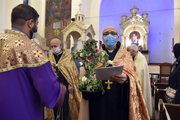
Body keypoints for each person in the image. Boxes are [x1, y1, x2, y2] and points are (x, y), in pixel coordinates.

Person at [0, 4, 66, 120]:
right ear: (30, 23)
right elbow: (50, 93)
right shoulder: (31, 49)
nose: (36, 27)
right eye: (37, 23)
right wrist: (62, 90)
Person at [79, 26, 149, 120]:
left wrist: (127, 79)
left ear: (117, 37)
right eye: (106, 34)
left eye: (113, 33)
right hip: (99, 102)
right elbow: (88, 77)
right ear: (102, 38)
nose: (109, 36)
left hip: (119, 101)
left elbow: (134, 79)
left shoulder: (126, 56)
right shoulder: (95, 56)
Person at [48, 38, 81, 120]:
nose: (53, 48)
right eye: (51, 46)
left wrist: (71, 84)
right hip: (54, 88)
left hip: (66, 87)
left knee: (65, 109)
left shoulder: (68, 57)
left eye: (55, 46)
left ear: (61, 45)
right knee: (55, 108)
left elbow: (73, 73)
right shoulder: (50, 57)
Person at [128, 44, 152, 117]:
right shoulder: (135, 57)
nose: (129, 52)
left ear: (133, 51)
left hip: (139, 84)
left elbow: (139, 72)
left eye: (129, 51)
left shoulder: (141, 58)